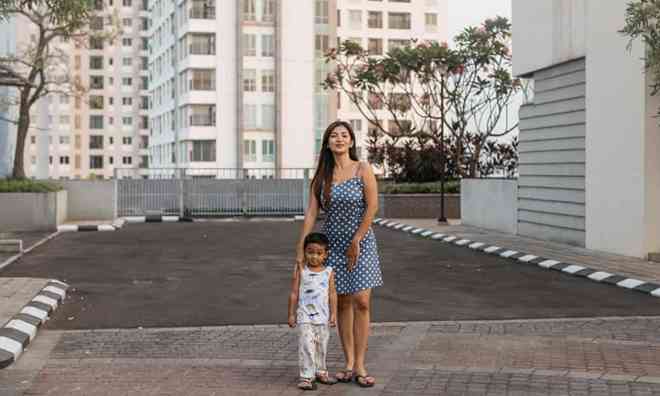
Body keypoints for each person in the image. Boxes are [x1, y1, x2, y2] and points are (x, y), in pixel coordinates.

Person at [295, 120, 383, 388]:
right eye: (334, 136)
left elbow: (372, 207)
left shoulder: (362, 169)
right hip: (332, 243)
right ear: (327, 143)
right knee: (342, 302)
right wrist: (300, 249)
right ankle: (348, 363)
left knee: (362, 301)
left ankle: (361, 365)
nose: (339, 139)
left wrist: (357, 238)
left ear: (352, 141)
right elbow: (312, 213)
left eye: (344, 135)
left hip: (361, 242)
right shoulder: (322, 175)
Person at [288, 232, 338, 391]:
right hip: (305, 317)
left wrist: (334, 313)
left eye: (319, 253)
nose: (314, 256)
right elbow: (294, 293)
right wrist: (291, 313)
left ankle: (320, 372)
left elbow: (332, 294)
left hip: (323, 318)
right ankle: (306, 376)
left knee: (321, 346)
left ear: (325, 255)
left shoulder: (328, 272)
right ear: (304, 252)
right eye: (310, 252)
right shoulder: (301, 270)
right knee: (306, 346)